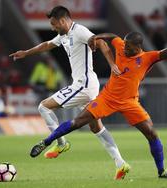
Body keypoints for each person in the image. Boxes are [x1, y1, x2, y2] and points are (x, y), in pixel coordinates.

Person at [30, 22, 167, 178]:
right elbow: (113, 37)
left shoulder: (148, 58)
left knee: (152, 134)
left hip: (130, 102)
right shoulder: (121, 45)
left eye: (129, 47)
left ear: (138, 47)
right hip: (107, 97)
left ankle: (162, 171)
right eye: (125, 45)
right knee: (77, 121)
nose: (124, 48)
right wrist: (97, 36)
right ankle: (46, 142)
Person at [9, 6, 129, 180]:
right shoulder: (64, 35)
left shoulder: (80, 31)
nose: (52, 27)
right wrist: (26, 53)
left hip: (84, 85)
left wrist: (112, 65)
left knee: (44, 106)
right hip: (86, 85)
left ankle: (61, 143)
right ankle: (121, 163)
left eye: (53, 24)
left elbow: (101, 42)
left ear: (63, 20)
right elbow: (48, 44)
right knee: (96, 127)